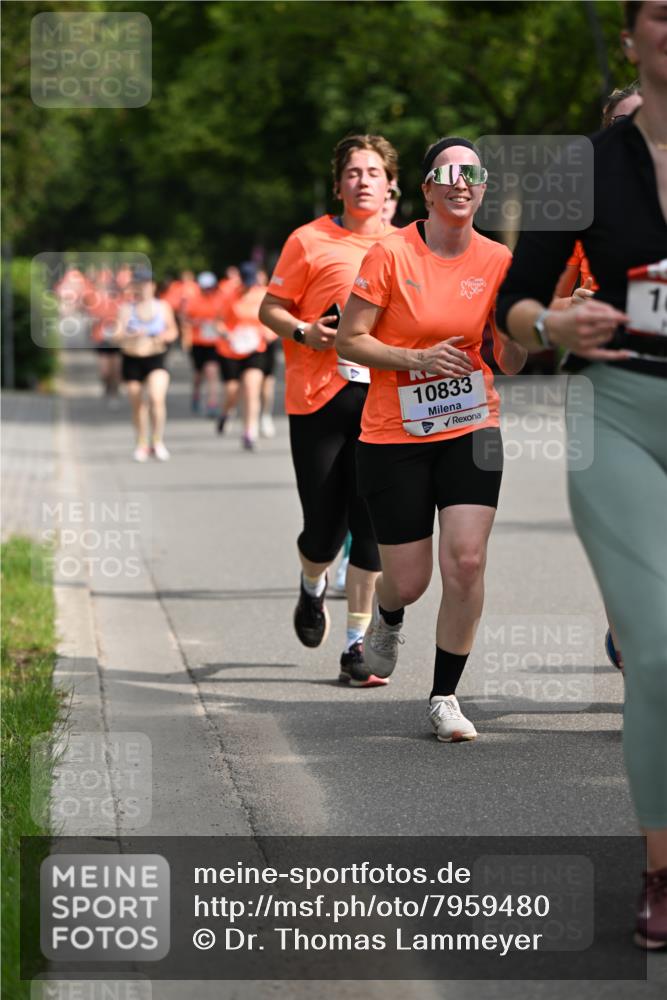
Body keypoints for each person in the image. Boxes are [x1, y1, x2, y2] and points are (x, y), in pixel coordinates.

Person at [495, 0, 667, 950]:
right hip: (619, 412)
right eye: (659, 10)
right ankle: (660, 870)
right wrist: (551, 327)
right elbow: (510, 304)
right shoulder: (585, 165)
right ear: (636, 32)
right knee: (656, 654)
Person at [337, 137, 527, 736]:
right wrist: (412, 359)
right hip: (394, 432)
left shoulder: (498, 260)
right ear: (427, 189)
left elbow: (513, 361)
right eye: (448, 173)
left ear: (483, 187)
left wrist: (533, 325)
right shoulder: (391, 254)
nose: (461, 182)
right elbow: (349, 340)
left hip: (472, 422)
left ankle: (445, 696)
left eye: (473, 173)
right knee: (412, 580)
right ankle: (387, 615)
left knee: (467, 562)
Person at [259, 135, 399, 684]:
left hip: (385, 398)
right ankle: (312, 583)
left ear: (391, 184)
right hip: (318, 397)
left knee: (370, 529)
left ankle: (356, 644)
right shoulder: (309, 240)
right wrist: (304, 331)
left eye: (373, 171)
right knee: (322, 529)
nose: (362, 180)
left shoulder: (410, 244)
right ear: (338, 183)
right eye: (352, 172)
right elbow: (270, 307)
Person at [112, 268, 179, 461]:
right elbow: (115, 336)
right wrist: (128, 334)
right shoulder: (125, 309)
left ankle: (157, 440)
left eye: (146, 284)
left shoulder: (162, 306)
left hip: (156, 358)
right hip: (132, 359)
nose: (143, 288)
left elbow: (173, 331)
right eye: (139, 284)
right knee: (138, 405)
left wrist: (161, 336)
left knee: (157, 399)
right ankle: (141, 442)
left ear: (153, 286)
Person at [217, 262, 271, 450]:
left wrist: (269, 334)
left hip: (255, 348)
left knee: (251, 387)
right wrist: (227, 334)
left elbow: (275, 321)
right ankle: (225, 413)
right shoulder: (229, 296)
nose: (249, 286)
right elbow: (218, 323)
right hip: (231, 349)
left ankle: (249, 431)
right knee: (232, 391)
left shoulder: (264, 295)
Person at [181, 272, 226, 418]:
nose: (208, 290)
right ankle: (196, 395)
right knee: (198, 375)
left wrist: (217, 324)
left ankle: (212, 404)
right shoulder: (193, 300)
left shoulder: (219, 299)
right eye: (205, 288)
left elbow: (225, 317)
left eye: (210, 287)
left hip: (213, 342)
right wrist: (197, 322)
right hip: (198, 342)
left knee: (212, 373)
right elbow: (184, 318)